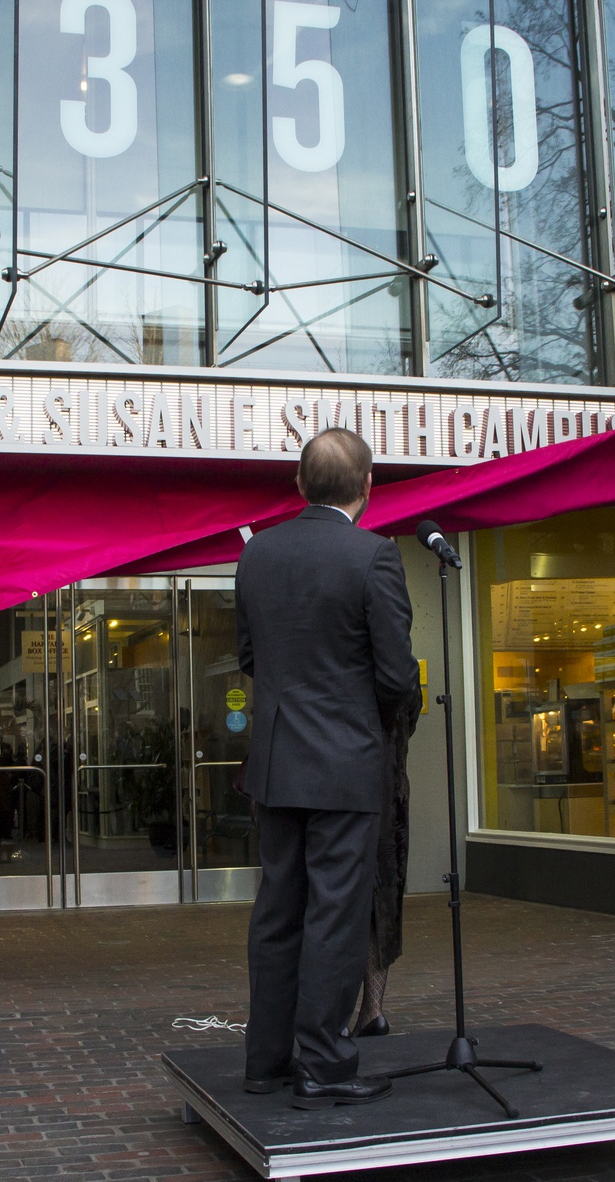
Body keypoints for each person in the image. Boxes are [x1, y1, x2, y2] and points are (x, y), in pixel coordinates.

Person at [237, 427, 418, 1110]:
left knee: (278, 909)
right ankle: (325, 1062)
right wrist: (364, 720)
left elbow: (251, 658)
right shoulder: (373, 556)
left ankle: (266, 1059)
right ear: (367, 486)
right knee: (336, 915)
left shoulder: (257, 556)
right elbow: (397, 675)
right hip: (346, 763)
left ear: (299, 485)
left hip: (278, 761)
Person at [352, 698, 419, 1039]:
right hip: (386, 778)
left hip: (358, 776)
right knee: (381, 897)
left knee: (349, 891)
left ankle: (356, 1013)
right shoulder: (394, 652)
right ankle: (372, 1009)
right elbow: (407, 698)